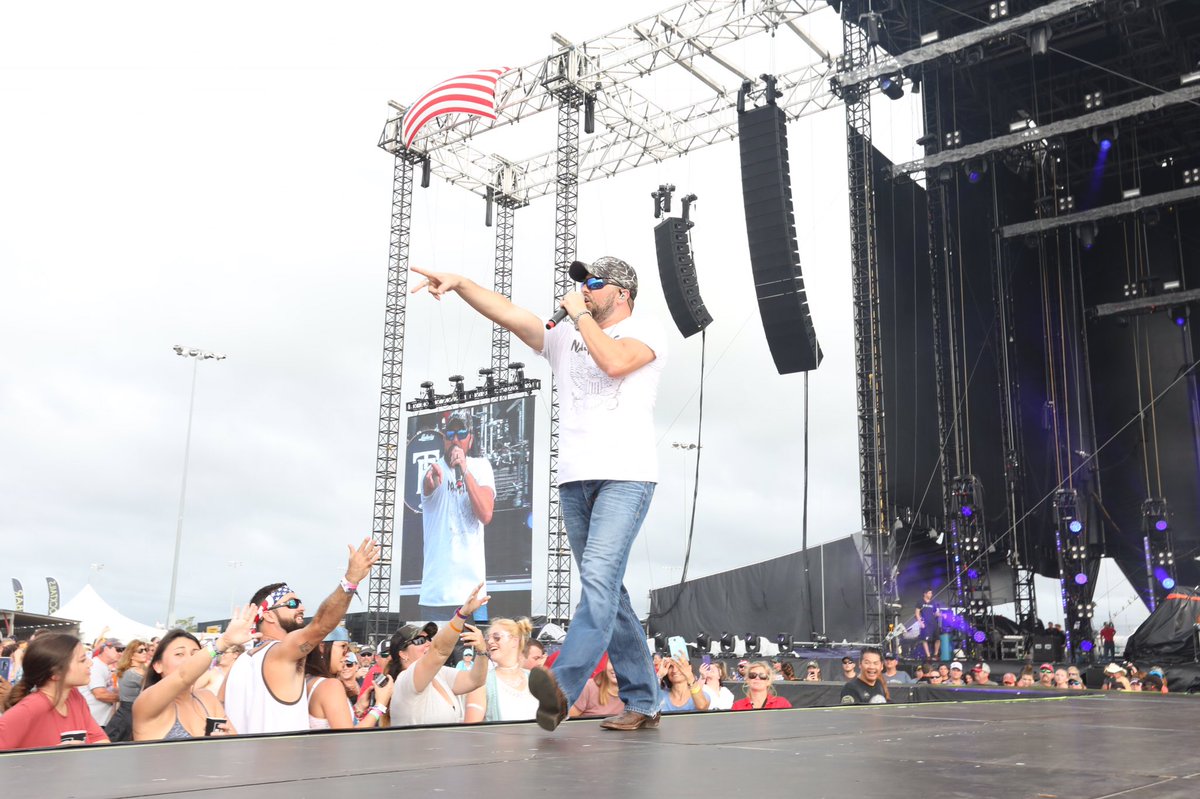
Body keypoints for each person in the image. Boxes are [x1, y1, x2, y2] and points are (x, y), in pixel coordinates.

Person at [412, 256, 667, 733]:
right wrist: (462, 284)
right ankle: (644, 700)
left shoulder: (645, 331)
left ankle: (561, 685)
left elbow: (614, 363)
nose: (584, 288)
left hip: (624, 477)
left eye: (595, 282)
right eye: (582, 282)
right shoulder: (565, 336)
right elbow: (511, 314)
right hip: (575, 480)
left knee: (598, 580)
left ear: (623, 293)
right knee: (610, 593)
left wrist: (581, 315)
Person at [220, 539, 381, 734]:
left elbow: (217, 707)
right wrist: (351, 580)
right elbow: (321, 625)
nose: (302, 608)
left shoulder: (240, 662)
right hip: (281, 754)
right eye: (292, 604)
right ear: (268, 615)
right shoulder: (280, 652)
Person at [418, 411, 496, 621]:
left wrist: (465, 470)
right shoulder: (433, 470)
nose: (455, 439)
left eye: (461, 433)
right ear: (444, 439)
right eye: (450, 434)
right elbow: (428, 487)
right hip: (436, 597)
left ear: (470, 439)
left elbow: (485, 514)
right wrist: (430, 485)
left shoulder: (481, 467)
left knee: (477, 644)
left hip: (473, 597)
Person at [133, 610, 257, 741]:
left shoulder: (207, 698)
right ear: (158, 666)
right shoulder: (147, 702)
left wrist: (226, 741)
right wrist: (224, 642)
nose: (189, 660)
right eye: (179, 654)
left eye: (195, 654)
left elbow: (237, 746)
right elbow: (183, 676)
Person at [388, 584, 489, 726]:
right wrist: (462, 614)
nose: (428, 643)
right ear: (402, 654)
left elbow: (475, 680)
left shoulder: (439, 675)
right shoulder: (405, 681)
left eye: (429, 639)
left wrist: (482, 651)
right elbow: (439, 650)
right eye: (420, 640)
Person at [0, 634, 110, 749]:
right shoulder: (29, 709)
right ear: (56, 673)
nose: (90, 663)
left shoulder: (74, 696)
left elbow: (99, 739)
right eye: (82, 660)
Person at [306, 627, 391, 730]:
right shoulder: (330, 686)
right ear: (322, 647)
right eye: (343, 646)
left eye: (348, 649)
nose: (347, 654)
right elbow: (348, 735)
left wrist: (359, 707)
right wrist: (380, 705)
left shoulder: (309, 680)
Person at [464, 617, 538, 723]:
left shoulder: (535, 679)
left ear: (514, 641)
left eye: (497, 637)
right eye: (488, 638)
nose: (490, 641)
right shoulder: (481, 683)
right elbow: (470, 729)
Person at [104, 639, 150, 742]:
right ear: (131, 655)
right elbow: (154, 687)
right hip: (130, 717)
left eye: (145, 649)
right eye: (140, 651)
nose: (144, 652)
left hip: (125, 715)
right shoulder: (133, 673)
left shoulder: (128, 671)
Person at [570, 653, 626, 718]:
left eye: (624, 664)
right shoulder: (587, 687)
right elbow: (568, 721)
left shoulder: (634, 693)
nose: (616, 668)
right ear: (606, 664)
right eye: (612, 662)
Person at [83, 637, 122, 728]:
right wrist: (126, 698)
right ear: (106, 649)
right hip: (93, 721)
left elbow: (110, 689)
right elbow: (100, 694)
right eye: (118, 649)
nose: (121, 653)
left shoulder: (103, 666)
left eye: (122, 650)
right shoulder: (95, 666)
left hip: (99, 721)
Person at [917, 589, 941, 660]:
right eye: (929, 593)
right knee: (925, 640)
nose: (931, 594)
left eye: (931, 593)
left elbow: (935, 613)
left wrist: (940, 614)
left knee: (938, 639)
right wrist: (920, 622)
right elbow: (917, 613)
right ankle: (928, 656)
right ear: (925, 594)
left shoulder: (933, 602)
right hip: (925, 623)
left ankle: (935, 654)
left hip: (933, 622)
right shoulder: (920, 602)